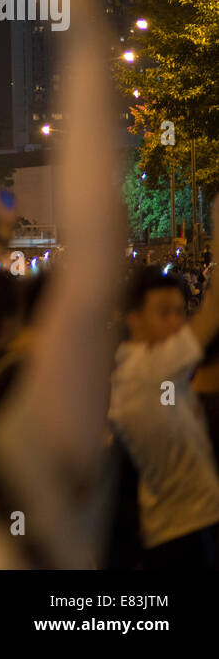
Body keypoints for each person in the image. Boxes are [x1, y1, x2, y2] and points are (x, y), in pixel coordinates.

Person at [109, 214, 219, 569]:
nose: (176, 322)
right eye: (163, 313)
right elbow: (213, 312)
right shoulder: (143, 369)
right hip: (178, 536)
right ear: (133, 318)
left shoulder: (163, 370)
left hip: (189, 525)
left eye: (178, 311)